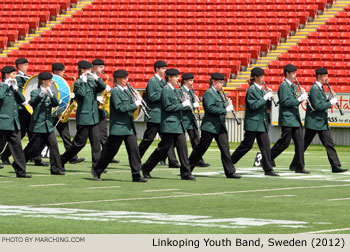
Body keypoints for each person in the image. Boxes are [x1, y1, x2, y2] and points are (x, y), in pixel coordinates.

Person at [92, 70, 147, 182]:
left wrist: (137, 99)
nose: (126, 81)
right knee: (110, 151)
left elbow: (130, 106)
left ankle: (136, 174)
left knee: (134, 151)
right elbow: (120, 108)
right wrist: (134, 104)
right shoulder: (116, 92)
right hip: (118, 127)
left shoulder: (126, 91)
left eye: (126, 78)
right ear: (118, 80)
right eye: (124, 79)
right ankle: (97, 170)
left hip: (128, 126)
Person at [289, 68, 347, 173]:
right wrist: (331, 103)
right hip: (314, 123)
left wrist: (328, 99)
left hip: (321, 122)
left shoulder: (320, 88)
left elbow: (321, 103)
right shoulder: (315, 88)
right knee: (304, 145)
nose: (327, 78)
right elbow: (317, 106)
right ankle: (294, 164)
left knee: (329, 144)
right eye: (325, 76)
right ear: (320, 76)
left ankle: (335, 166)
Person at [141, 68, 195, 180]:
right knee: (163, 149)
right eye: (175, 77)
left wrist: (186, 101)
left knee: (183, 148)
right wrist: (182, 105)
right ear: (169, 77)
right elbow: (167, 107)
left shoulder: (175, 90)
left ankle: (186, 173)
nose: (177, 79)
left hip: (177, 124)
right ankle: (146, 167)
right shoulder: (165, 90)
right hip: (169, 124)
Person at [188, 73, 241, 179]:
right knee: (201, 149)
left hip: (220, 126)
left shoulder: (219, 93)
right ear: (214, 82)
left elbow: (219, 106)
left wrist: (227, 105)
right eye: (220, 83)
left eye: (222, 82)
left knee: (225, 149)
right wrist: (225, 110)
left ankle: (230, 172)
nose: (222, 85)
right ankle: (187, 168)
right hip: (210, 126)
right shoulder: (209, 93)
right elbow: (210, 108)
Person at [231, 67, 278, 176]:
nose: (263, 78)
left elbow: (267, 107)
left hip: (261, 123)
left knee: (265, 146)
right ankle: (230, 161)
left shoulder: (261, 89)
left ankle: (268, 169)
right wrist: (265, 98)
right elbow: (253, 106)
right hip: (253, 123)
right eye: (261, 76)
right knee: (247, 145)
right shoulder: (252, 90)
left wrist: (269, 98)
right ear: (255, 77)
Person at [1, 58, 48, 167]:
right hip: (21, 111)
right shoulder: (17, 78)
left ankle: (36, 157)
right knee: (19, 135)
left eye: (27, 64)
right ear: (18, 66)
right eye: (24, 64)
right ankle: (5, 155)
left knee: (34, 135)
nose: (26, 66)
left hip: (29, 110)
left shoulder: (26, 78)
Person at [16, 72, 65, 175]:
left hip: (48, 125)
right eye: (50, 80)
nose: (51, 82)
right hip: (38, 124)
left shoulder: (52, 92)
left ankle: (56, 168)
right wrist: (41, 94)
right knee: (34, 147)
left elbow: (55, 103)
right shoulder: (35, 92)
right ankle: (18, 163)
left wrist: (51, 95)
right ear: (43, 81)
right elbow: (32, 103)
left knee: (54, 146)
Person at [60, 60, 105, 169]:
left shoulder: (92, 80)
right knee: (79, 143)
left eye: (89, 70)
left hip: (94, 116)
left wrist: (96, 78)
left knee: (96, 143)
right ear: (81, 70)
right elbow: (83, 94)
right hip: (84, 117)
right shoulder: (78, 83)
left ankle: (97, 166)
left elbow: (102, 87)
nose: (88, 72)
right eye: (86, 70)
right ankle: (61, 160)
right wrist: (84, 81)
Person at [138, 60, 179, 168]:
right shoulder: (153, 81)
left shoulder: (164, 82)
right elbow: (152, 97)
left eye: (165, 68)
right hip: (155, 115)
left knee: (167, 139)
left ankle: (172, 161)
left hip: (163, 115)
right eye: (163, 68)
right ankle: (136, 157)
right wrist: (164, 93)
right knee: (148, 139)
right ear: (157, 69)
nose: (165, 71)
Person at [270, 64, 309, 173]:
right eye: (293, 73)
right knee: (284, 143)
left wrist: (300, 97)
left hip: (295, 119)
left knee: (300, 143)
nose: (295, 76)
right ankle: (268, 157)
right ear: (287, 73)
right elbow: (285, 102)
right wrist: (299, 99)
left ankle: (299, 167)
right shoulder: (283, 86)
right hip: (287, 119)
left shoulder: (293, 86)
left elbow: (293, 100)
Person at [51, 62, 85, 164]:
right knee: (43, 137)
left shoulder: (62, 81)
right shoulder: (50, 80)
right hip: (52, 113)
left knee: (66, 136)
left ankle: (72, 157)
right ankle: (35, 156)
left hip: (61, 113)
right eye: (62, 70)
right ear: (56, 71)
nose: (64, 72)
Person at [0, 66, 31, 178]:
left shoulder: (14, 88)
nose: (15, 77)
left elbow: (23, 101)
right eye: (13, 74)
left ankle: (21, 171)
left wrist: (16, 89)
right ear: (7, 75)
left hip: (14, 123)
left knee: (17, 149)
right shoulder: (1, 86)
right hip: (3, 124)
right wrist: (5, 85)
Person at [92, 59, 119, 164]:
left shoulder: (101, 78)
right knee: (94, 137)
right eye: (100, 67)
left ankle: (108, 155)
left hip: (101, 109)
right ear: (94, 67)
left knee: (103, 134)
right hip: (94, 109)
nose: (102, 69)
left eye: (103, 67)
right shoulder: (90, 77)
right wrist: (97, 97)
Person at [181, 73, 210, 167]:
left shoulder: (190, 91)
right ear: (185, 81)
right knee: (174, 141)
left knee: (196, 140)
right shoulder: (181, 91)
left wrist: (196, 101)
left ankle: (198, 160)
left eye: (192, 80)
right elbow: (182, 106)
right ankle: (164, 157)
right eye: (190, 80)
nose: (192, 82)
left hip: (191, 119)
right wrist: (192, 105)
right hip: (184, 119)